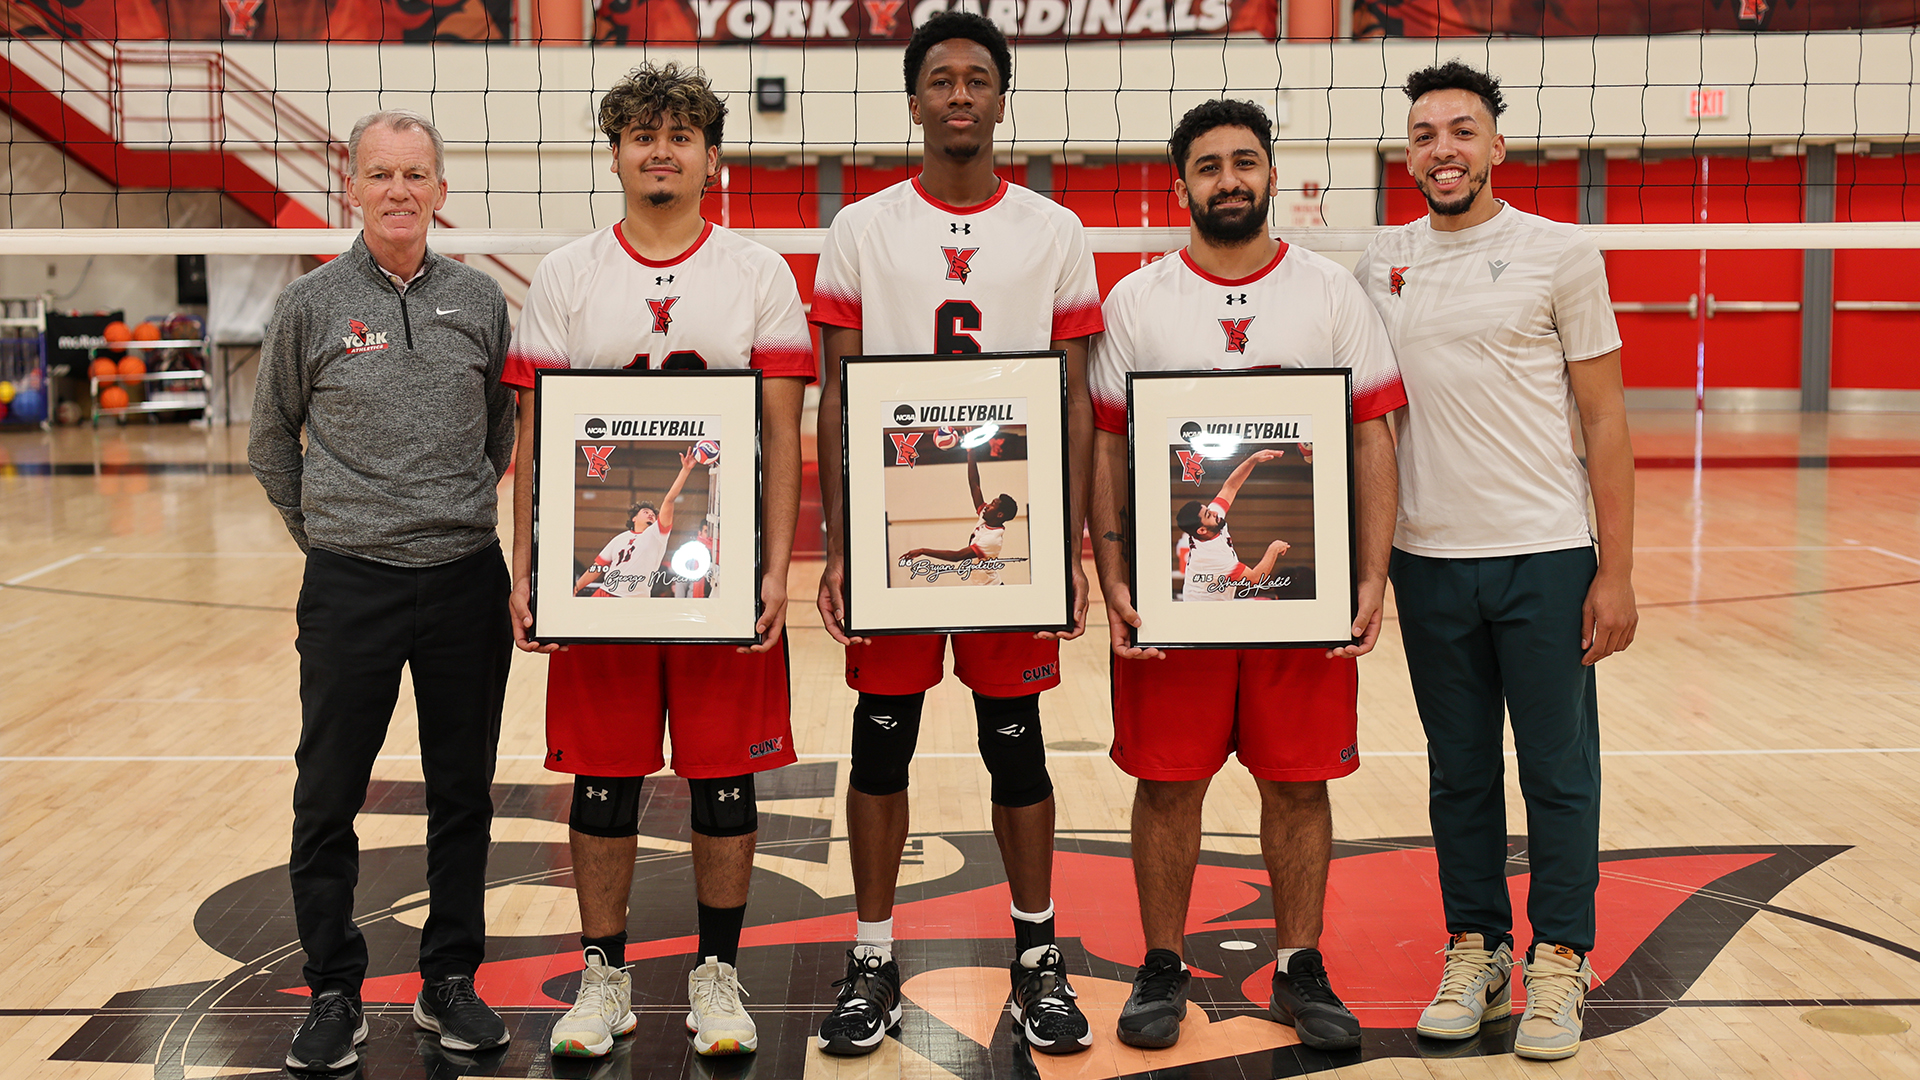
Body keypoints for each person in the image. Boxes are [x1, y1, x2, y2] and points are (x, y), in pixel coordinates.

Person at [503, 62, 814, 1060]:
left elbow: (780, 434)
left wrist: (774, 571)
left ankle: (715, 975)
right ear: (617, 153)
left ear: (712, 157)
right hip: (601, 575)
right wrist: (527, 566)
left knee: (726, 783)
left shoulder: (758, 274)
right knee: (604, 781)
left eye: (682, 134)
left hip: (722, 580)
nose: (662, 149)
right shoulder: (566, 275)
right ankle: (604, 979)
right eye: (643, 134)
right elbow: (534, 431)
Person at [810, 9, 1103, 1057]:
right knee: (878, 748)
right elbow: (837, 395)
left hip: (1009, 544)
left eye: (979, 78)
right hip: (897, 536)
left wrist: (1067, 545)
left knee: (1014, 749)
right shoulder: (861, 229)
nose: (961, 95)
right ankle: (874, 954)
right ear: (916, 99)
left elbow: (1073, 400)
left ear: (1002, 95)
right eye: (943, 79)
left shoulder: (1055, 232)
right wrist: (841, 546)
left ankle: (1038, 957)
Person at [1087, 99, 1405, 1053]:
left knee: (1300, 785)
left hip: (1300, 605)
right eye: (1210, 166)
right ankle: (1161, 963)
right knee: (1166, 785)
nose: (1229, 179)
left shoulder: (1331, 293)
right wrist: (1111, 576)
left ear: (1273, 176)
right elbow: (1106, 453)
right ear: (1179, 183)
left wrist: (1371, 575)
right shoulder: (1139, 300)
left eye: (1246, 162)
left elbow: (1370, 434)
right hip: (1172, 601)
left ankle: (1300, 966)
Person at [1356, 60, 1637, 1061]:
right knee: (1459, 773)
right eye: (1426, 134)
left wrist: (1618, 568)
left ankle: (1560, 958)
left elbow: (1605, 420)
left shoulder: (1560, 254)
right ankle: (1474, 950)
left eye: (1462, 131)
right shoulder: (1378, 262)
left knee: (1559, 772)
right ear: (1408, 155)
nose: (1444, 150)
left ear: (1497, 146)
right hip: (1428, 558)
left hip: (1547, 554)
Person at [249, 109, 516, 1071]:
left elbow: (499, 434)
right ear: (351, 187)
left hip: (463, 584)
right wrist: (326, 535)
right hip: (349, 584)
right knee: (327, 795)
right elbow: (271, 439)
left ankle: (449, 980)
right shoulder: (310, 305)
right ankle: (333, 990)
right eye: (381, 174)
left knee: (463, 794)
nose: (400, 190)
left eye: (417, 174)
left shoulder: (480, 302)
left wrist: (447, 515)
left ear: (441, 190)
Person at [1175, 448, 1292, 602]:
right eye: (1208, 515)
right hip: (1203, 613)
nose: (1215, 513)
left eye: (1209, 510)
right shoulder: (1212, 557)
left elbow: (1230, 487)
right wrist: (1274, 548)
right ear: (1202, 530)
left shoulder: (1209, 524)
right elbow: (1255, 578)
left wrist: (1252, 459)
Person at [576, 457, 696, 598]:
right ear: (634, 518)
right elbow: (596, 569)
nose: (651, 515)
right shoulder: (619, 539)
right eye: (646, 512)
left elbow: (669, 500)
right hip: (605, 593)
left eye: (653, 514)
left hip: (634, 599)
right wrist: (576, 588)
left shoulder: (657, 534)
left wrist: (685, 470)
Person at [898, 447, 1018, 586]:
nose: (987, 506)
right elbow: (974, 485)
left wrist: (923, 551)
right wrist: (971, 452)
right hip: (981, 585)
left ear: (999, 514)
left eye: (992, 504)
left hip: (991, 587)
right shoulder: (986, 517)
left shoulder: (992, 539)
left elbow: (956, 556)